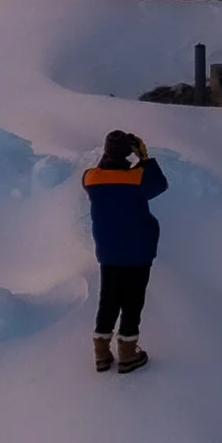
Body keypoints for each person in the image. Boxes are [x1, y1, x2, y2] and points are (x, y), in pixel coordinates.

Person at [82, 129, 169, 372]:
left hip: (109, 253)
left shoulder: (91, 179)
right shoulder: (138, 179)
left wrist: (112, 154)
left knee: (108, 300)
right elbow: (160, 185)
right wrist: (144, 158)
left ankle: (101, 353)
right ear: (128, 154)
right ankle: (128, 355)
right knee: (132, 302)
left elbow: (104, 173)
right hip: (138, 252)